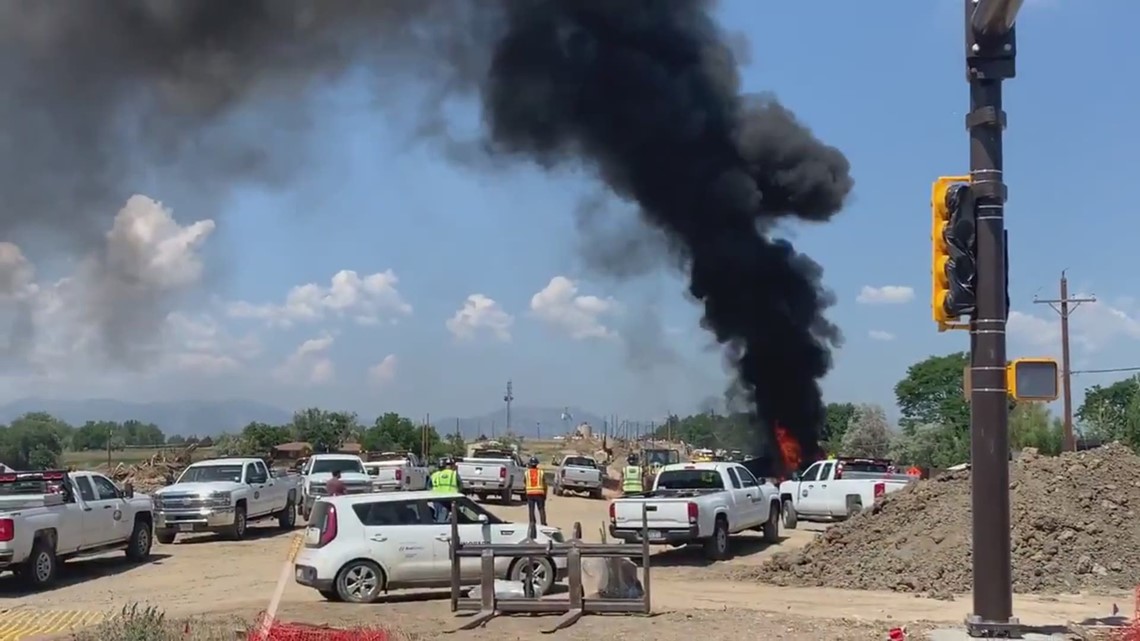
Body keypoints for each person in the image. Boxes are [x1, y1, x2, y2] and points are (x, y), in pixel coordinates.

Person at [523, 456, 548, 527]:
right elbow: (545, 484)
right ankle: (543, 524)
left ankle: (532, 524)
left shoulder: (526, 473)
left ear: (530, 464)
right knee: (541, 509)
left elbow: (524, 483)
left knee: (531, 510)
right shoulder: (541, 472)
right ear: (537, 464)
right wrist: (545, 494)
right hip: (540, 493)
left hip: (530, 494)